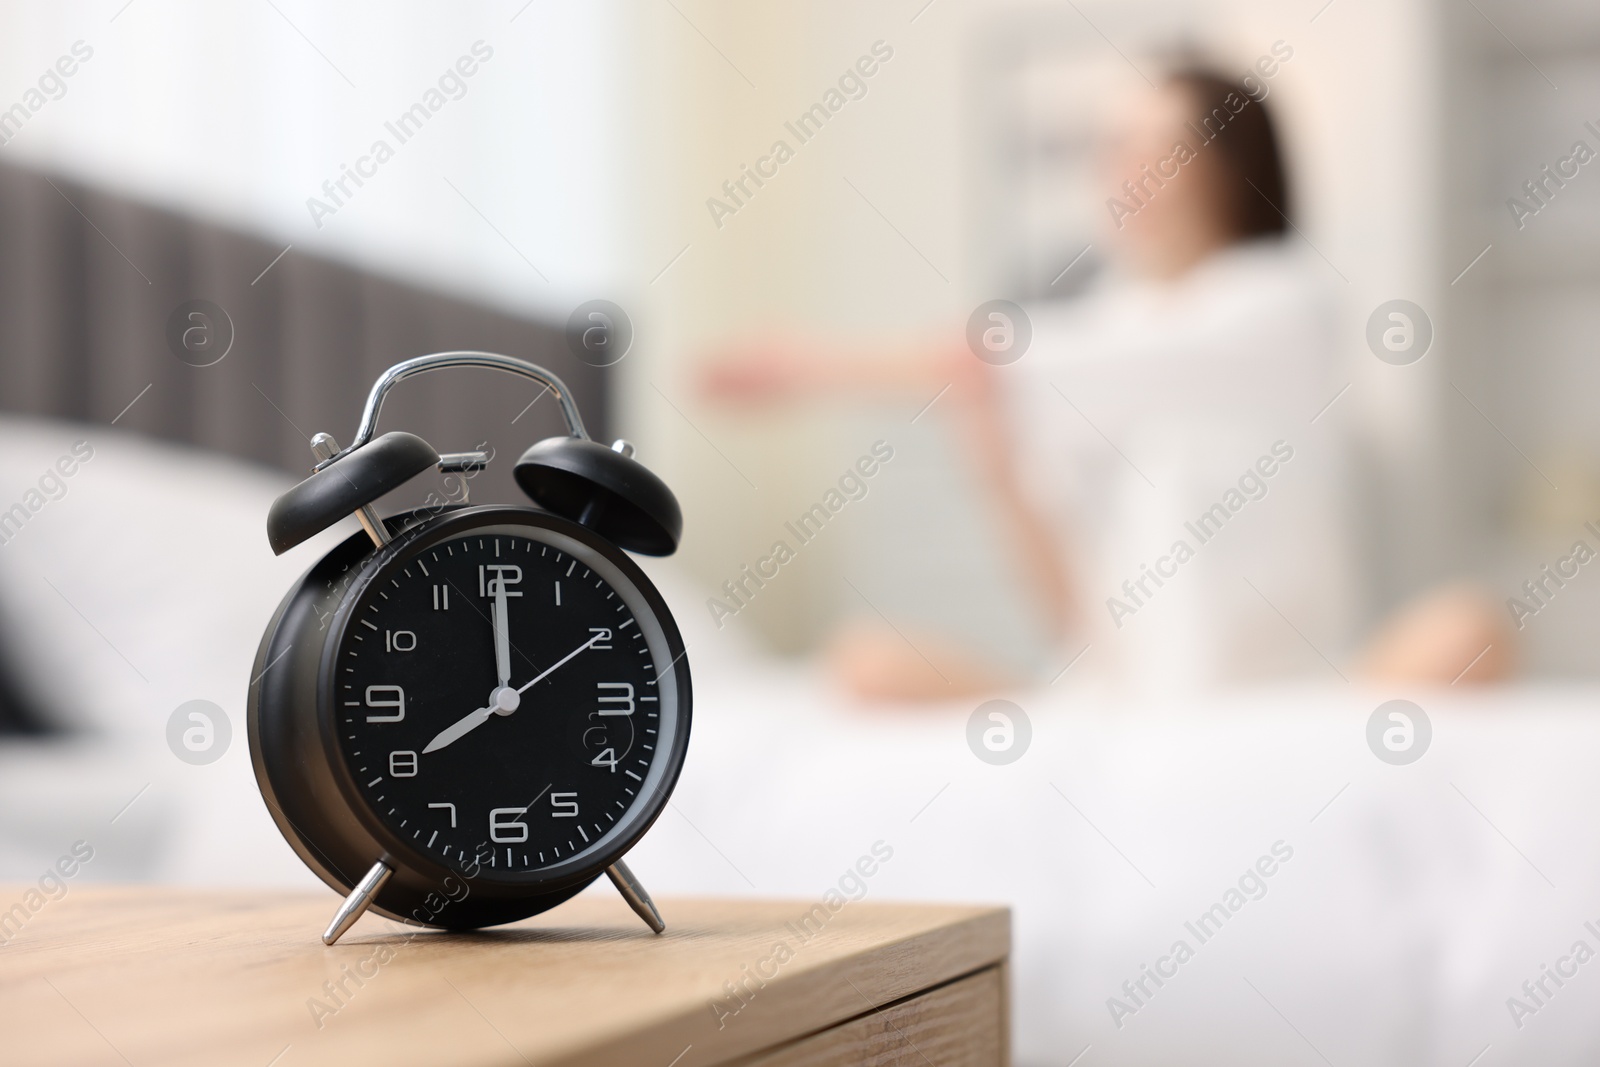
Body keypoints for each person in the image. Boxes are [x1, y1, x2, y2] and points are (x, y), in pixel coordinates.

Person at [704, 68, 1508, 698]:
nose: (1129, 172)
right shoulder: (1105, 324)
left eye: (1165, 147)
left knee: (1471, 628)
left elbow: (985, 358)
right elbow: (1075, 615)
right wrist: (997, 469)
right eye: (1115, 146)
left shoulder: (1283, 301)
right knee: (865, 662)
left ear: (1233, 169)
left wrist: (803, 366)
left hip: (1293, 690)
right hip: (1119, 693)